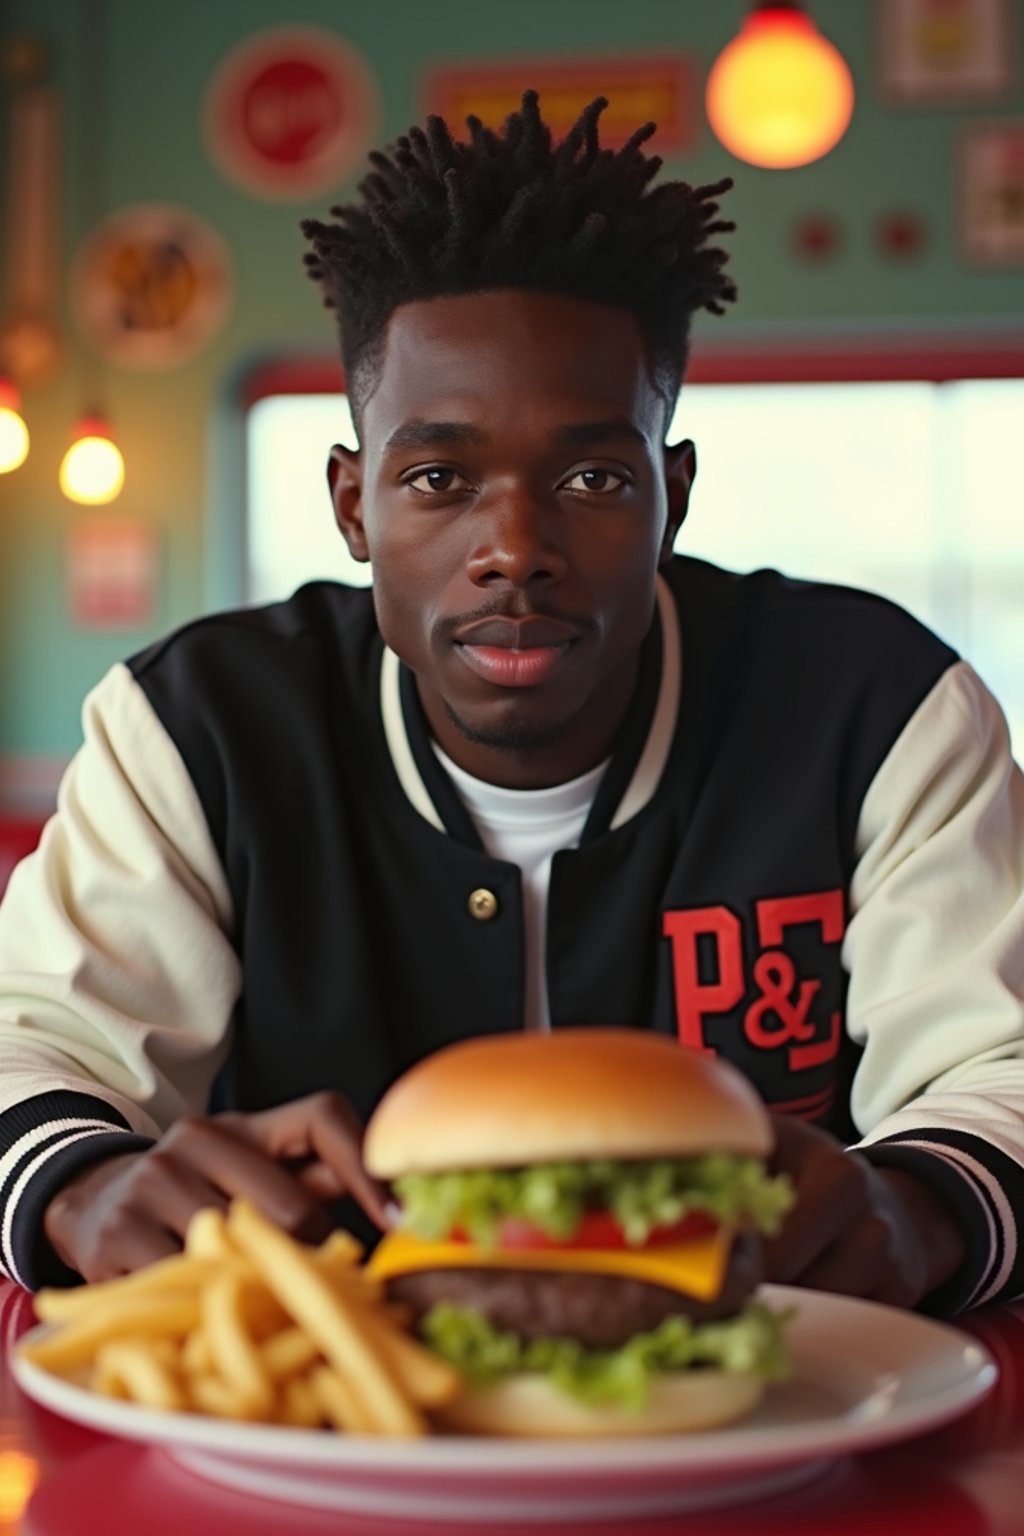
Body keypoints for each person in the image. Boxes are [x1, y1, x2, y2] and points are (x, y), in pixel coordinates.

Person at [0, 92, 1021, 1313]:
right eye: (437, 476)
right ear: (352, 506)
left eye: (593, 475)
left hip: (790, 1397)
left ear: (672, 497)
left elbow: (995, 1071)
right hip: (314, 1435)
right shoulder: (195, 726)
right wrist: (82, 1184)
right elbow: (40, 1047)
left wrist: (916, 1208)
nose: (514, 548)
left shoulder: (878, 706)